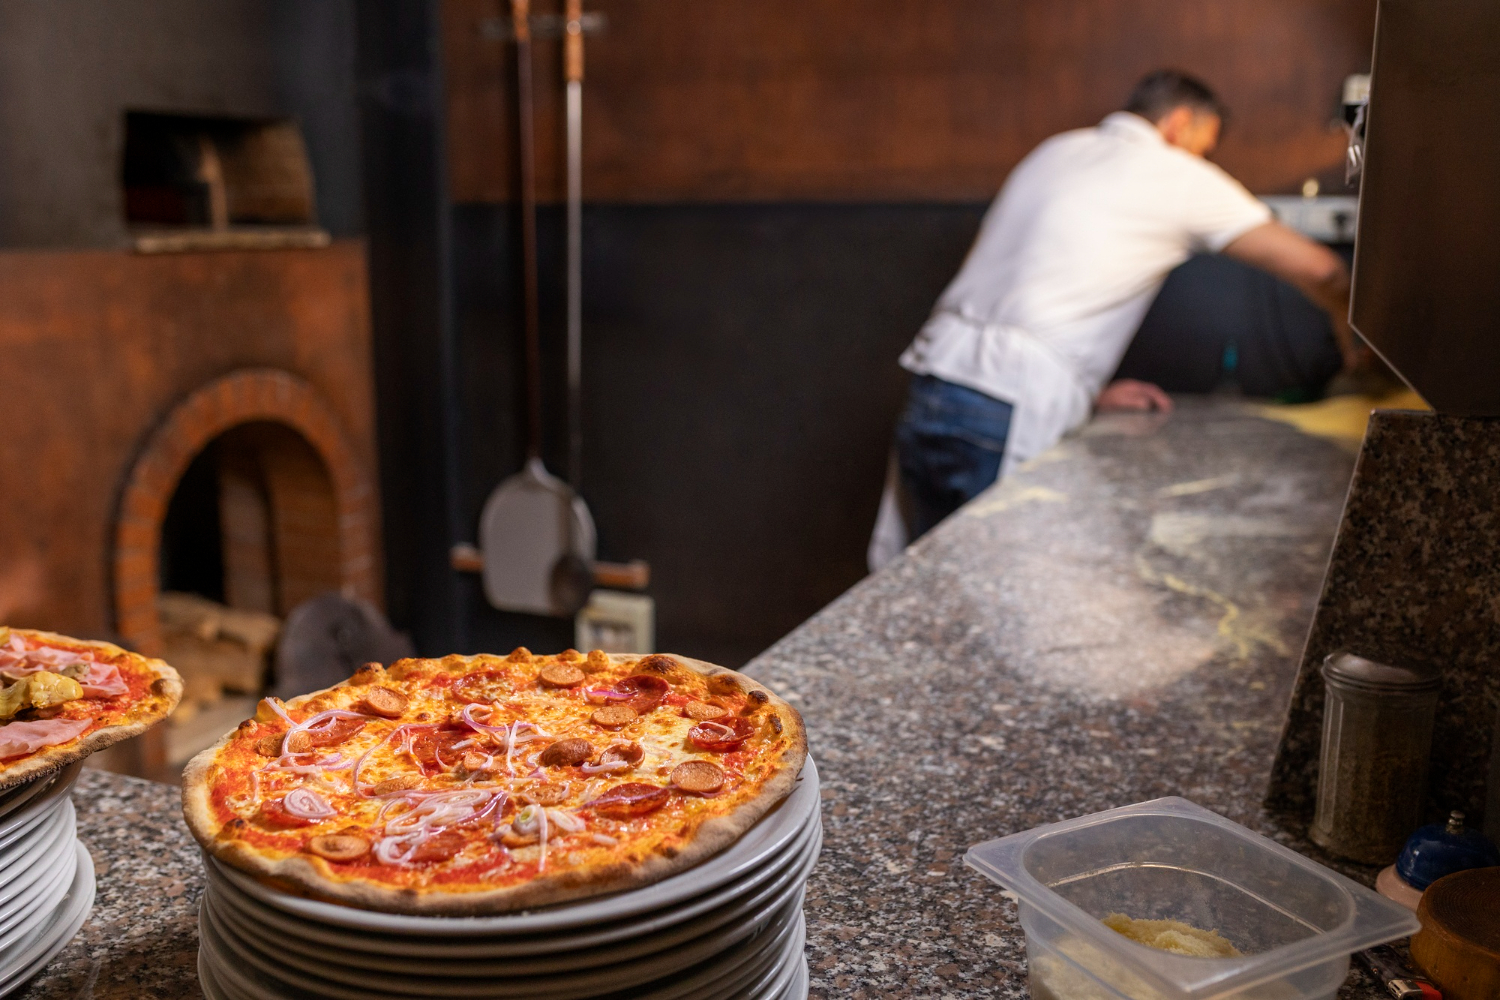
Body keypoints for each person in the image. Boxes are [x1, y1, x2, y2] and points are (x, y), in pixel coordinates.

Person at [870, 70, 1360, 567]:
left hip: (936, 379)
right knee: (1002, 594)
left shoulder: (1056, 151)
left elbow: (1021, 290)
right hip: (1008, 404)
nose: (1201, 160)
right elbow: (1323, 271)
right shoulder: (1175, 174)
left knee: (926, 587)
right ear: (1179, 123)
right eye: (1203, 147)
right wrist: (1350, 344)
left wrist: (1086, 392)